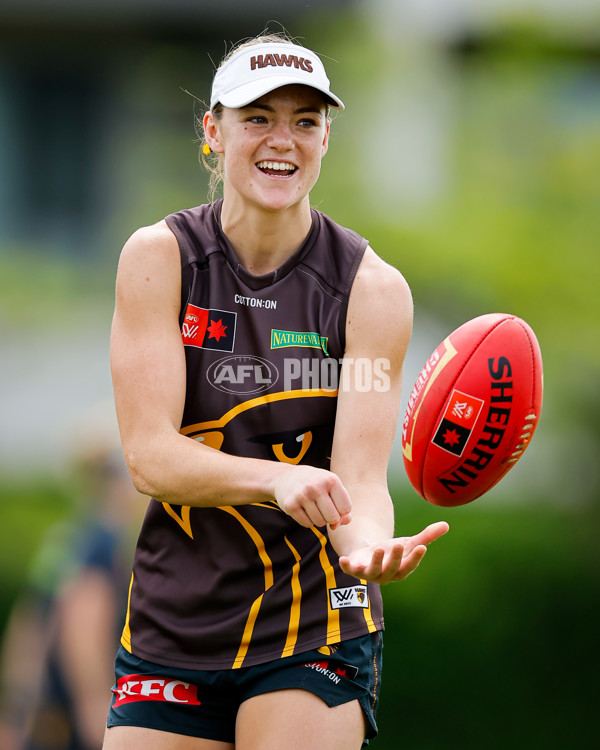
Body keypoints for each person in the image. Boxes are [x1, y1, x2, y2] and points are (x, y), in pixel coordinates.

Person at [103, 32, 449, 750]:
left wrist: (370, 547)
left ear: (327, 139)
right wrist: (279, 480)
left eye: (305, 120)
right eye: (257, 117)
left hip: (315, 614)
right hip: (176, 617)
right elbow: (149, 458)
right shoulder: (159, 259)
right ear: (213, 132)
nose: (281, 139)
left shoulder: (371, 290)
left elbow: (357, 477)